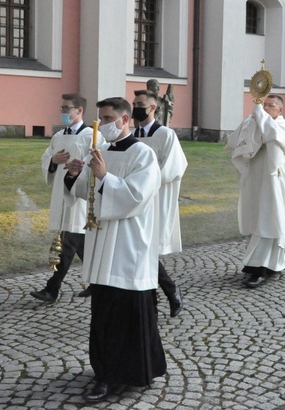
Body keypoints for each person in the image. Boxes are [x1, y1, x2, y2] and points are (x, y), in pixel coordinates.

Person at [64, 97, 166, 402]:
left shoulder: (143, 155)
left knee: (127, 309)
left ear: (126, 120)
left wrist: (105, 176)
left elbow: (136, 196)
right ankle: (105, 372)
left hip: (128, 245)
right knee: (104, 310)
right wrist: (74, 175)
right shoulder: (102, 151)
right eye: (100, 119)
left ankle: (132, 372)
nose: (102, 125)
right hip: (101, 240)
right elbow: (87, 193)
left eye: (108, 118)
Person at [30, 93, 97, 303]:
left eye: (67, 108)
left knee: (70, 239)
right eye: (62, 108)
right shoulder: (58, 136)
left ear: (79, 111)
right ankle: (98, 283)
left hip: (79, 196)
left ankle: (53, 289)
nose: (63, 112)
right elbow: (46, 158)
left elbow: (97, 159)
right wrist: (53, 160)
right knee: (78, 241)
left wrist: (79, 167)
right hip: (61, 191)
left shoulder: (91, 136)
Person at [225, 95, 285, 288]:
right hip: (255, 179)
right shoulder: (257, 121)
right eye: (264, 105)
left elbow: (272, 135)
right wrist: (250, 121)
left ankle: (262, 268)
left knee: (269, 218)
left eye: (270, 106)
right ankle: (261, 264)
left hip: (272, 181)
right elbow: (239, 138)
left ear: (280, 110)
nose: (265, 108)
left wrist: (259, 116)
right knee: (254, 218)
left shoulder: (282, 126)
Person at [132, 89, 186, 317]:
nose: (136, 107)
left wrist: (148, 182)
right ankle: (155, 299)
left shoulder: (165, 135)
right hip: (134, 200)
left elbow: (175, 166)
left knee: (147, 250)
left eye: (140, 104)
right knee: (139, 250)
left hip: (155, 199)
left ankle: (169, 293)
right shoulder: (132, 134)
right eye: (134, 103)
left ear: (153, 107)